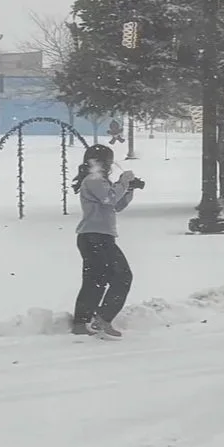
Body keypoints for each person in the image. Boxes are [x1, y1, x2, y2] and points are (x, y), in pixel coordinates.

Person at [72, 144, 143, 338]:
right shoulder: (94, 180)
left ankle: (83, 322)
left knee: (96, 280)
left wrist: (128, 188)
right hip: (95, 236)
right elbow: (109, 199)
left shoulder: (100, 181)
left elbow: (117, 205)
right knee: (122, 276)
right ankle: (101, 319)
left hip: (98, 236)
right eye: (109, 160)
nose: (111, 164)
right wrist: (123, 182)